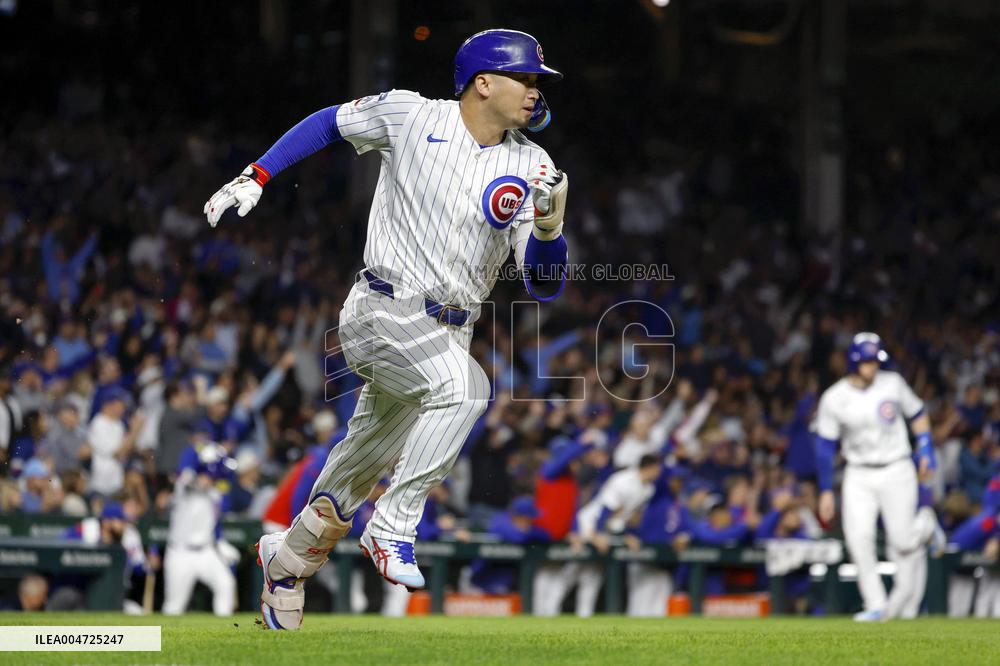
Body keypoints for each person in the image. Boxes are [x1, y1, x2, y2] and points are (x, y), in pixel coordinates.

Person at [206, 29, 569, 630]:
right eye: (525, 78)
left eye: (537, 81)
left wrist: (550, 232)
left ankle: (287, 562)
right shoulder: (410, 115)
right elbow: (328, 122)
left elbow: (543, 285)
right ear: (483, 83)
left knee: (354, 472)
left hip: (449, 333)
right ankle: (394, 525)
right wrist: (257, 174)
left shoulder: (534, 165)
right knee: (467, 390)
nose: (535, 90)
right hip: (381, 309)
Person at [815, 332, 946, 621]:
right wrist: (825, 490)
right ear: (854, 362)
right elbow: (825, 447)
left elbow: (918, 413)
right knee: (858, 538)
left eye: (876, 360)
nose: (873, 366)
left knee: (902, 540)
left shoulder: (892, 384)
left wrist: (926, 448)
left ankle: (926, 523)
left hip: (896, 467)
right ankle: (875, 604)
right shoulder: (835, 398)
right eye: (868, 361)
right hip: (858, 473)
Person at [161, 444, 238, 617]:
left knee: (226, 584)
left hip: (205, 552)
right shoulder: (185, 484)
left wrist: (220, 542)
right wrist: (201, 469)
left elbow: (216, 516)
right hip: (180, 553)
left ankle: (225, 627)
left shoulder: (215, 493)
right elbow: (185, 477)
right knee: (174, 606)